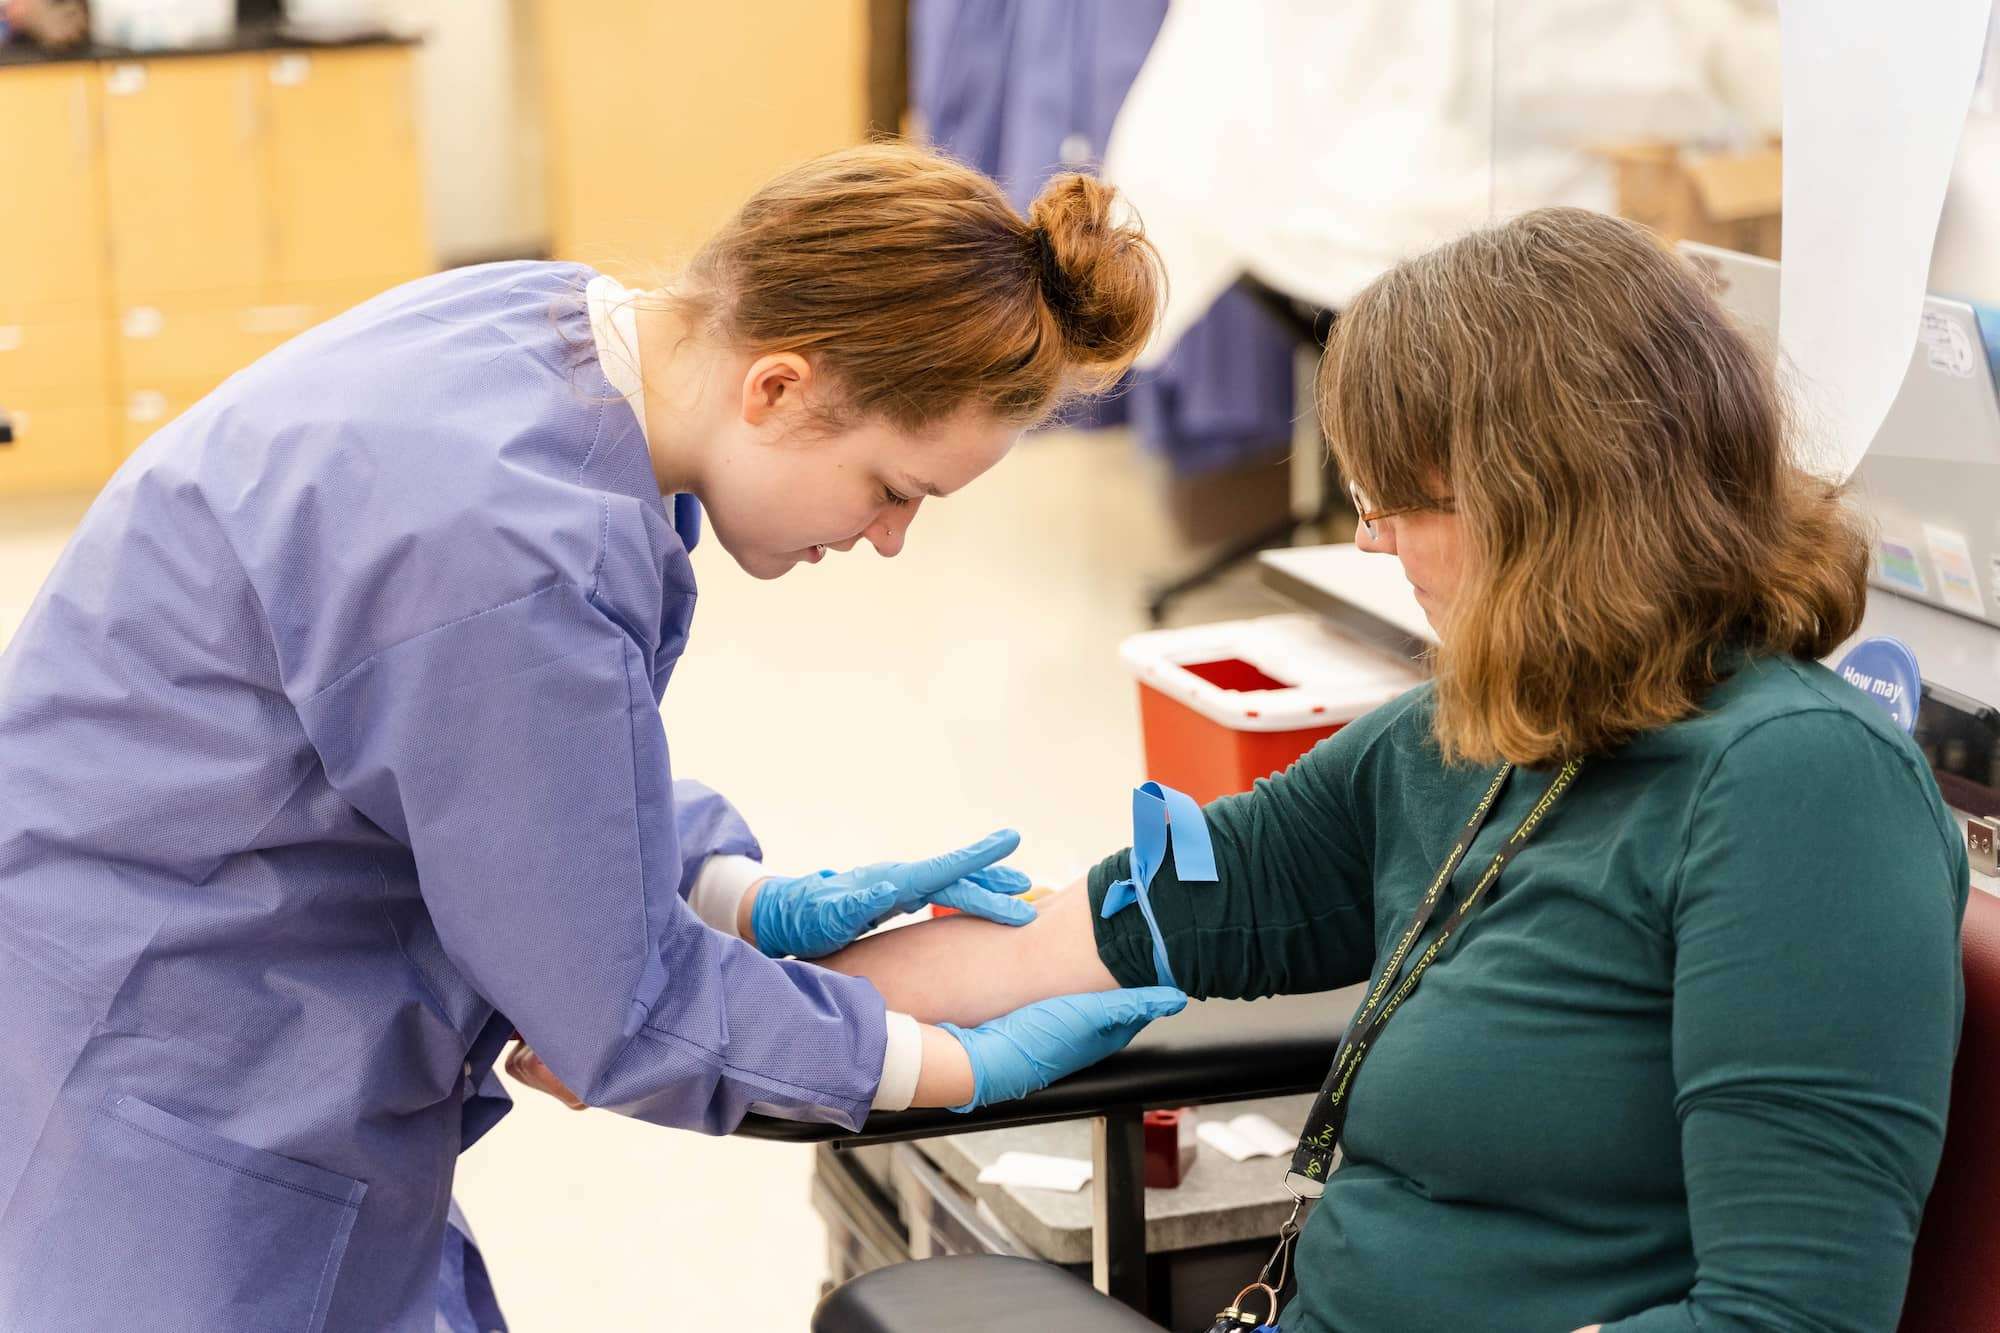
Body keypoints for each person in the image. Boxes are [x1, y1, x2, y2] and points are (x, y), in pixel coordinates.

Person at [563, 206, 1959, 1333]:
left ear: (1552, 498)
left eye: (1391, 497)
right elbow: (1066, 942)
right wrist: (659, 1010)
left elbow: (1795, 1313)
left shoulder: (1797, 796)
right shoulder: (1466, 741)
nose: (1369, 544)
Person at [0, 144, 1188, 1332]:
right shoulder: (504, 546)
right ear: (776, 386)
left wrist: (726, 886)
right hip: (168, 1069)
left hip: (200, 955)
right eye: (893, 487)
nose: (888, 538)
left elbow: (471, 749)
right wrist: (939, 1068)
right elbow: (619, 1005)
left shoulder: (550, 335)